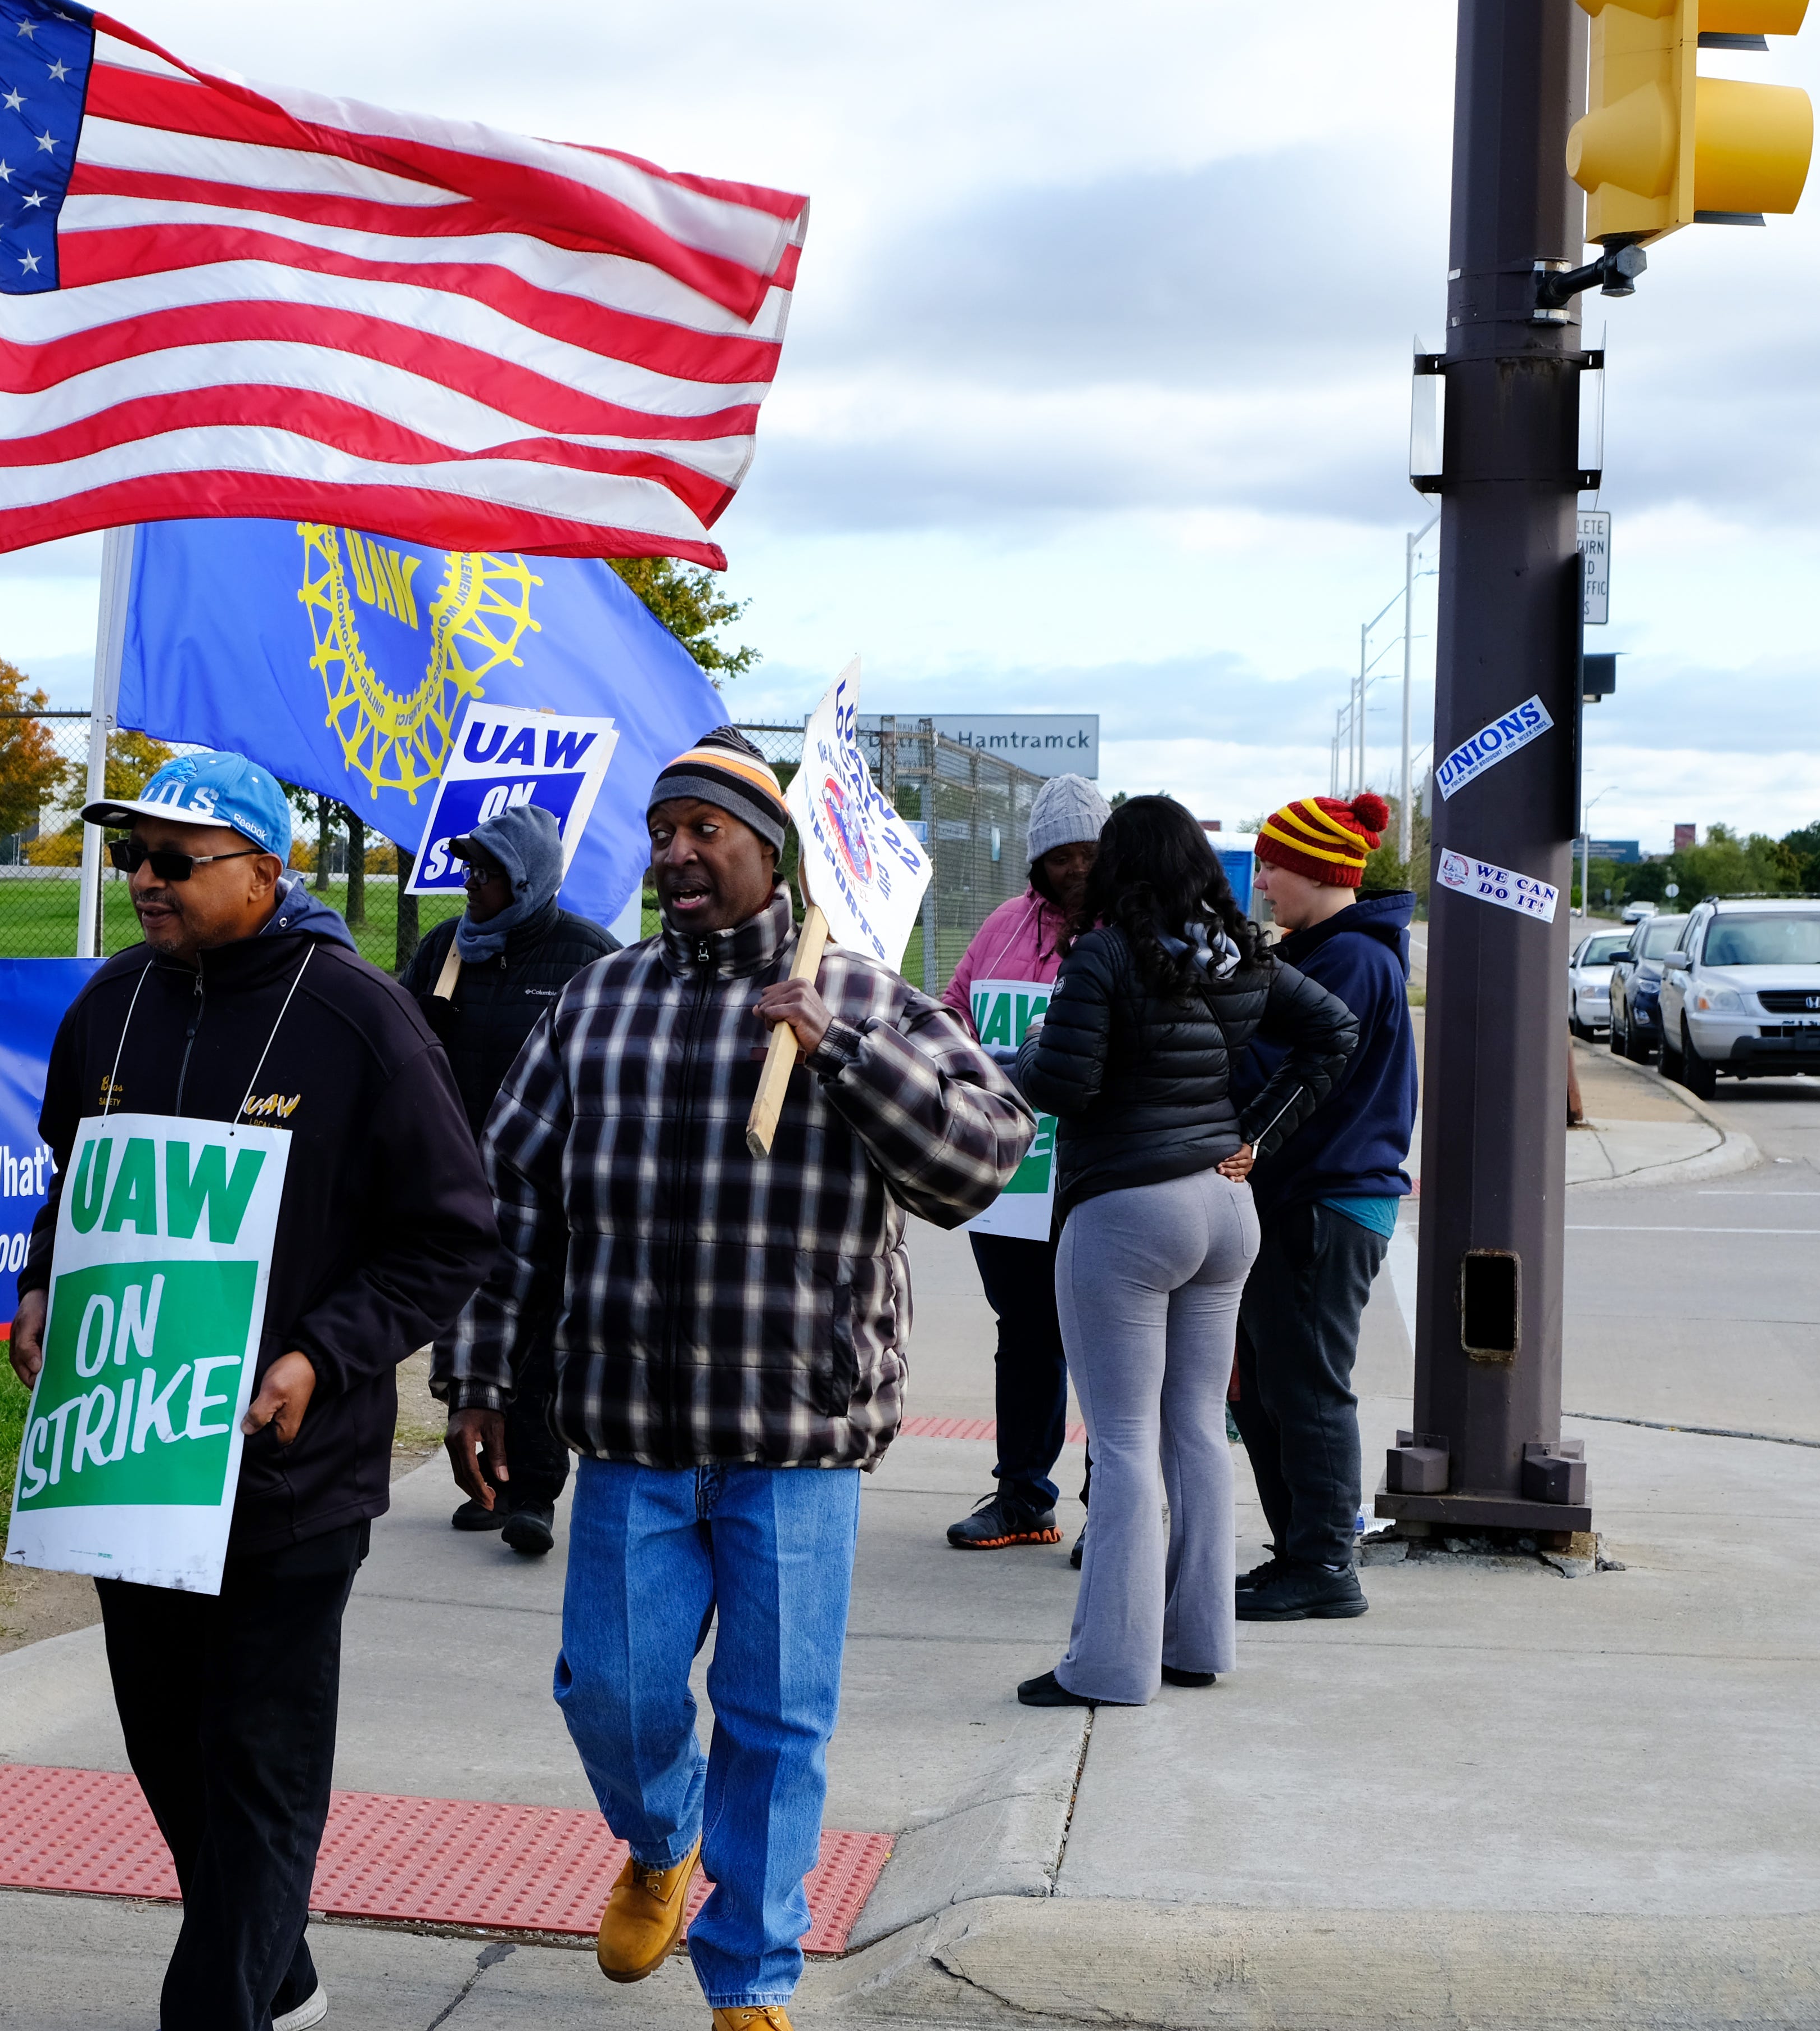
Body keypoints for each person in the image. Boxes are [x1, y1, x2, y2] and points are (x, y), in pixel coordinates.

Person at [450, 727, 1032, 2031]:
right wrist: (480, 1372)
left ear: (767, 849)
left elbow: (984, 1159)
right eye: (661, 833)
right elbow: (510, 1201)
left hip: (796, 1430)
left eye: (701, 830)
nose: (674, 854)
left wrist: (837, 1049)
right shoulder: (597, 1002)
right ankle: (660, 1840)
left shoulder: (867, 995)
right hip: (630, 1430)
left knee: (776, 1721)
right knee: (612, 1687)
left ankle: (752, 1974)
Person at [10, 749, 496, 2031]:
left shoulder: (360, 1017)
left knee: (259, 1770)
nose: (145, 880)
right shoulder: (107, 1006)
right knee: (175, 1758)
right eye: (133, 855)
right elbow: (78, 1187)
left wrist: (320, 1353)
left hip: (290, 1473)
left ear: (265, 873)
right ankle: (275, 1969)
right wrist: (47, 1284)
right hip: (129, 1459)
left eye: (177, 858)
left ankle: (217, 2006)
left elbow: (450, 1233)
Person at [1004, 797, 1356, 1710]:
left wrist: (1025, 1049)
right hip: (1225, 1206)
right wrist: (1257, 1133)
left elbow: (1066, 1086)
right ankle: (1198, 1645)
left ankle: (1110, 1666)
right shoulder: (1241, 950)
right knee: (1197, 1426)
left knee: (1121, 1443)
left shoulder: (1107, 953)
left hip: (1126, 1210)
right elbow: (1334, 1032)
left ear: (1119, 866)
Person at [413, 800, 624, 1559]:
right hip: (457, 1182)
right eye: (468, 866)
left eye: (489, 870)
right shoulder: (446, 951)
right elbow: (403, 1046)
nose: (472, 881)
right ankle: (487, 1480)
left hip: (550, 1191)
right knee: (465, 1337)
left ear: (528, 879)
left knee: (536, 1342)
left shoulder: (585, 957)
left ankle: (533, 1493)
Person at [1234, 791, 1417, 1625]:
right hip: (1312, 1198)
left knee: (1304, 1386)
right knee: (1270, 1387)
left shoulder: (1349, 961)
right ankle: (1300, 1554)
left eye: (1272, 863)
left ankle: (1323, 1566)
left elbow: (1269, 1072)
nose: (1262, 879)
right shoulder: (1333, 951)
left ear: (1312, 868)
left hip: (1323, 1202)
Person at [935, 770, 1109, 1551]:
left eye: (1088, 854)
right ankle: (1022, 1496)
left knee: (1110, 1340)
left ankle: (1115, 1504)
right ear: (1035, 862)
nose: (1075, 869)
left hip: (1097, 1177)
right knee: (1026, 1333)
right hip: (1010, 1180)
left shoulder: (1128, 935)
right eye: (1059, 856)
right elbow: (949, 1015)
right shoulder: (1004, 925)